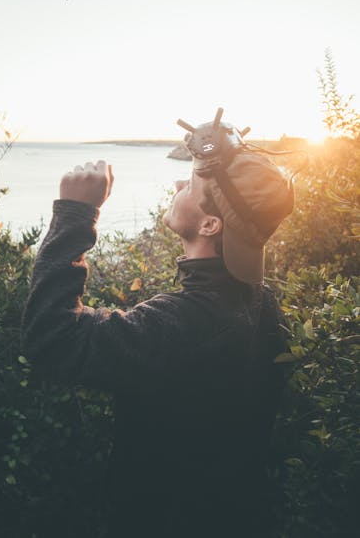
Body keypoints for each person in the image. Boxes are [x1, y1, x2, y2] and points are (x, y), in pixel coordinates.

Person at [22, 125, 294, 537]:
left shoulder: (186, 323)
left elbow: (53, 339)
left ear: (209, 226)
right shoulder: (261, 303)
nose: (179, 181)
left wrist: (76, 214)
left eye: (193, 183)